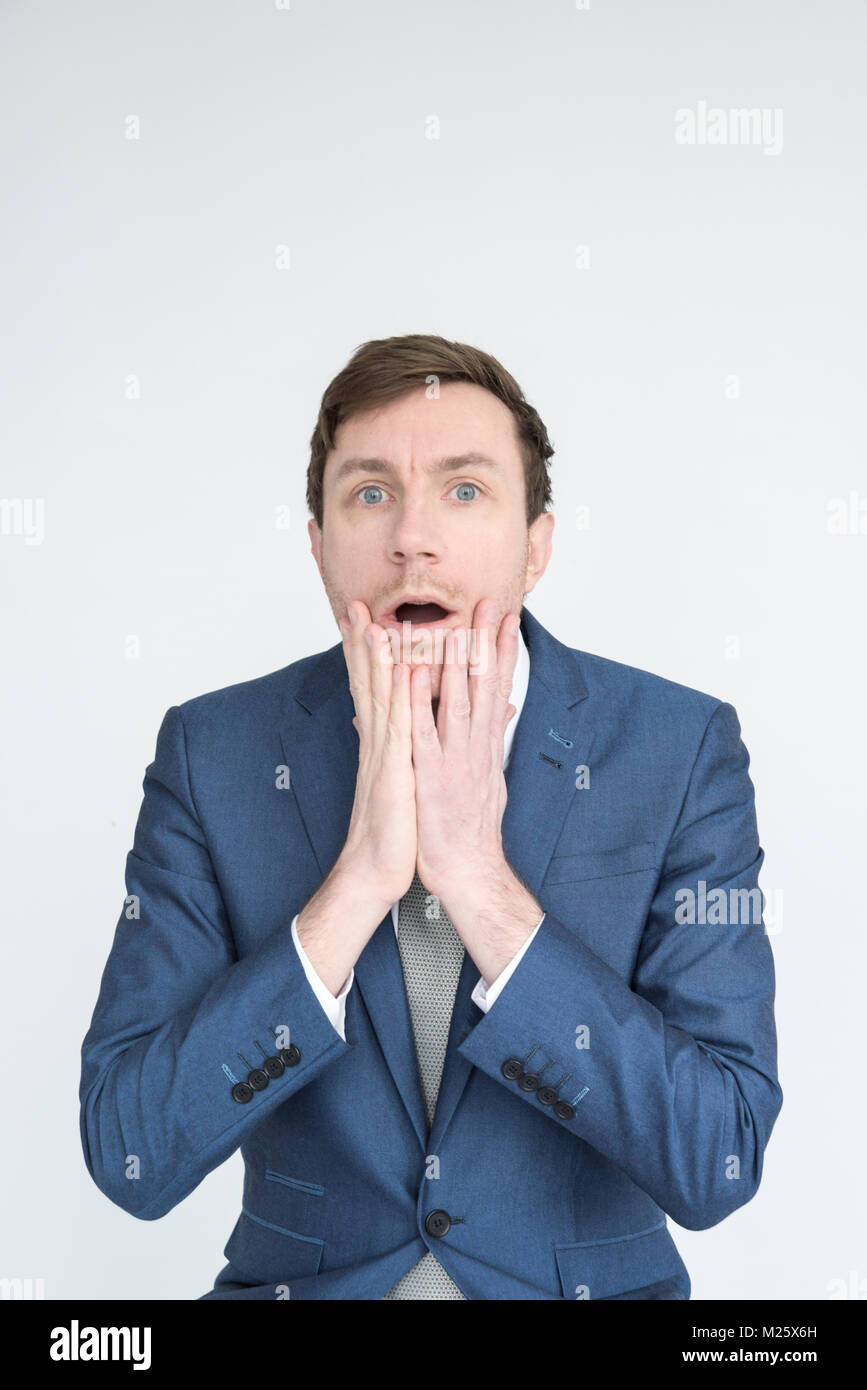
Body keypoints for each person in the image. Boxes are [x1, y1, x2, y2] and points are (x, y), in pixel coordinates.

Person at [79, 333, 783, 1300]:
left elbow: (720, 1160)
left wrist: (478, 884)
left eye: (463, 490)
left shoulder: (679, 748)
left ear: (535, 545)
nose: (412, 536)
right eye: (369, 493)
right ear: (319, 544)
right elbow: (130, 1152)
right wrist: (357, 885)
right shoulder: (216, 755)